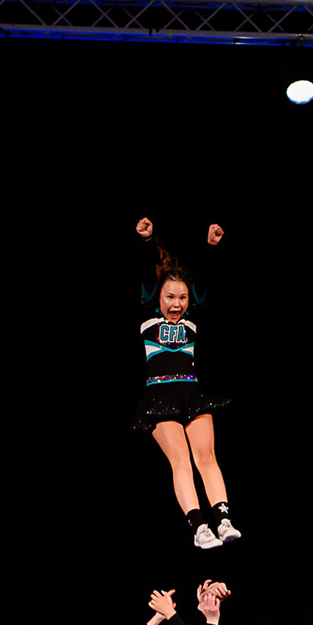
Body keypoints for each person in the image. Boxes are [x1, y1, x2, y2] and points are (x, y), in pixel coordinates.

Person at [131, 218, 239, 550]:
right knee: (181, 460)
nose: (176, 304)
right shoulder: (149, 314)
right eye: (169, 297)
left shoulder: (192, 318)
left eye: (182, 298)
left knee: (206, 456)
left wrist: (211, 247)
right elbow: (145, 276)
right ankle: (199, 527)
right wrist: (146, 242)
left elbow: (204, 280)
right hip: (160, 394)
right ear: (158, 297)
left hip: (192, 392)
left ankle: (223, 519)